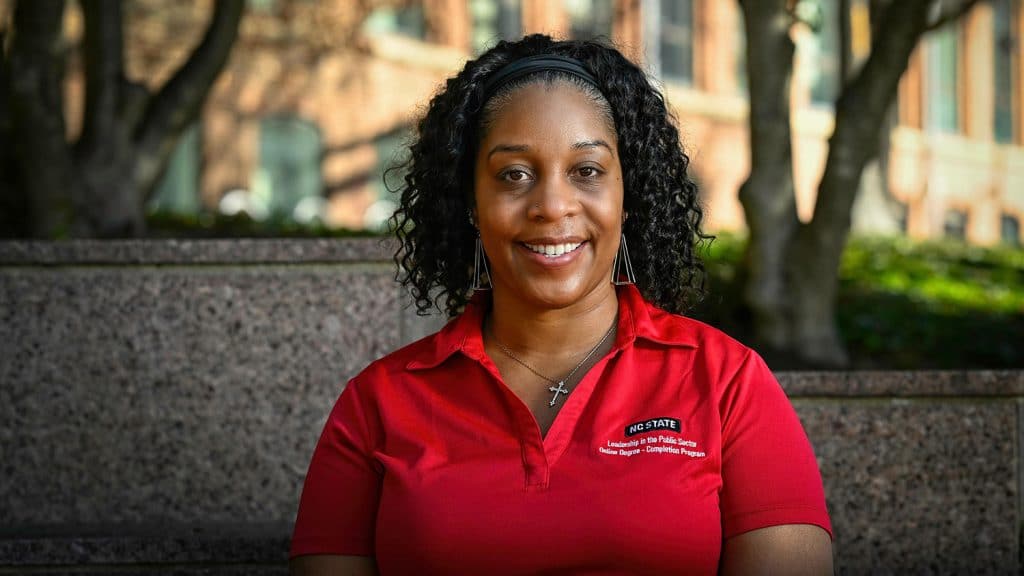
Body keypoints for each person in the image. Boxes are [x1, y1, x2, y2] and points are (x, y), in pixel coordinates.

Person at [290, 34, 833, 575]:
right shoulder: (377, 405)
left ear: (628, 196)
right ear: (471, 203)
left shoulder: (727, 383)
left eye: (587, 171)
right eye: (514, 175)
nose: (552, 206)